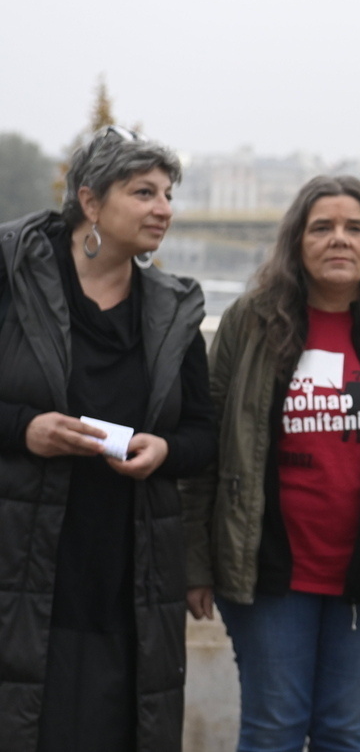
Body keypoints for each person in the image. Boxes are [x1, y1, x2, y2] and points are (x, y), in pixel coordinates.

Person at [181, 175, 360, 752]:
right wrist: (194, 561)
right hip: (266, 572)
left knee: (343, 734)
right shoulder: (250, 320)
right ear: (296, 241)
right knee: (272, 732)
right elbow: (206, 442)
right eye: (322, 227)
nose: (339, 239)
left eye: (355, 228)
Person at [0, 125, 215, 752]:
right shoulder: (11, 278)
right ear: (91, 202)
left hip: (128, 577)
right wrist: (25, 429)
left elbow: (204, 433)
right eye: (144, 192)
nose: (164, 209)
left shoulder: (173, 310)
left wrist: (166, 451)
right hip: (21, 567)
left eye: (168, 194)